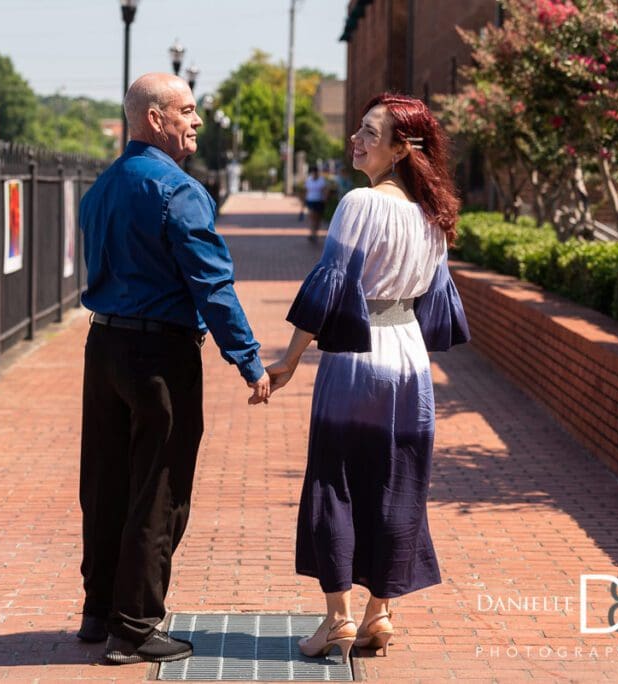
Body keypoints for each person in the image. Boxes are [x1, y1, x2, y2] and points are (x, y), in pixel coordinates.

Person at [266, 93, 470, 662]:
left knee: (335, 481)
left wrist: (288, 360)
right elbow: (438, 303)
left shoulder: (359, 204)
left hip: (358, 356)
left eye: (368, 131)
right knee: (398, 481)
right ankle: (380, 612)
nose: (355, 138)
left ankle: (338, 619)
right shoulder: (433, 214)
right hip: (409, 360)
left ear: (402, 148)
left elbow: (331, 286)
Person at [77, 72, 271, 665]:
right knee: (158, 490)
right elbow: (212, 284)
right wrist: (249, 359)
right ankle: (134, 626)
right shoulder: (179, 191)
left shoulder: (101, 187)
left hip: (104, 349)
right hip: (161, 356)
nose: (197, 121)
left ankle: (98, 610)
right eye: (187, 110)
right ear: (154, 118)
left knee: (105, 484)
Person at [303, 165, 329, 243]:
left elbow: (325, 190)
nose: (314, 174)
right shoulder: (309, 180)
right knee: (312, 217)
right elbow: (306, 190)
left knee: (318, 219)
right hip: (310, 200)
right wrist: (304, 200)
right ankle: (312, 233)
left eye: (315, 172)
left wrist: (325, 198)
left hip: (319, 201)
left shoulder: (321, 180)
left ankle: (315, 233)